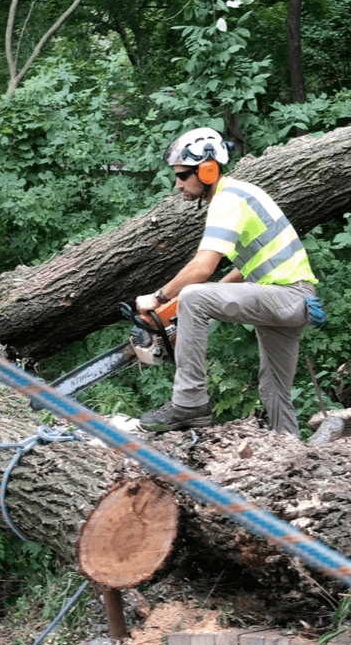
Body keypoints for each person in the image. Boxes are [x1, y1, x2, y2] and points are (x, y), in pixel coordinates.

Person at [136, 127, 321, 437]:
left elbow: (202, 268)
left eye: (182, 176)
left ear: (207, 170)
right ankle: (290, 448)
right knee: (274, 388)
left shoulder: (228, 200)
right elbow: (247, 269)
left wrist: (159, 298)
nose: (177, 184)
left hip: (286, 296)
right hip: (292, 299)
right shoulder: (239, 194)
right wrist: (188, 309)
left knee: (194, 295)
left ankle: (189, 402)